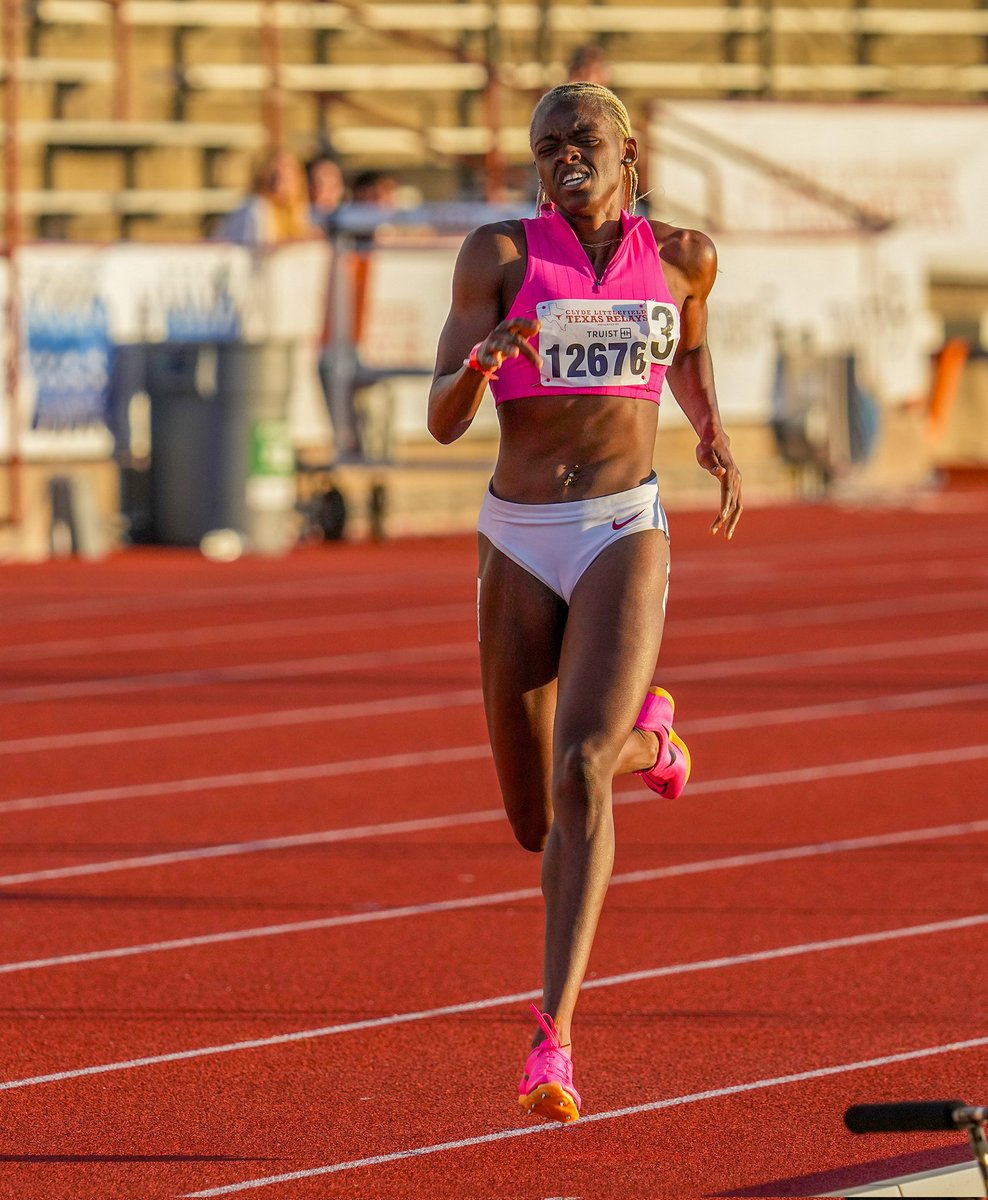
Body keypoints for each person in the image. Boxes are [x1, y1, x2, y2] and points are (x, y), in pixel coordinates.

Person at [427, 82, 743, 1123]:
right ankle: (655, 745)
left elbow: (688, 343)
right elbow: (439, 420)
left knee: (577, 775)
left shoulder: (685, 255)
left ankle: (552, 1040)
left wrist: (709, 427)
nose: (564, 157)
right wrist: (482, 362)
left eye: (583, 141)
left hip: (622, 527)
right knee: (532, 817)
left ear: (628, 152)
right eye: (546, 144)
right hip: (519, 536)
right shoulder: (501, 259)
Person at [213, 147, 317, 245]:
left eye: (287, 178)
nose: (280, 185)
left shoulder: (300, 211)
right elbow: (260, 254)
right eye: (275, 177)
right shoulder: (256, 210)